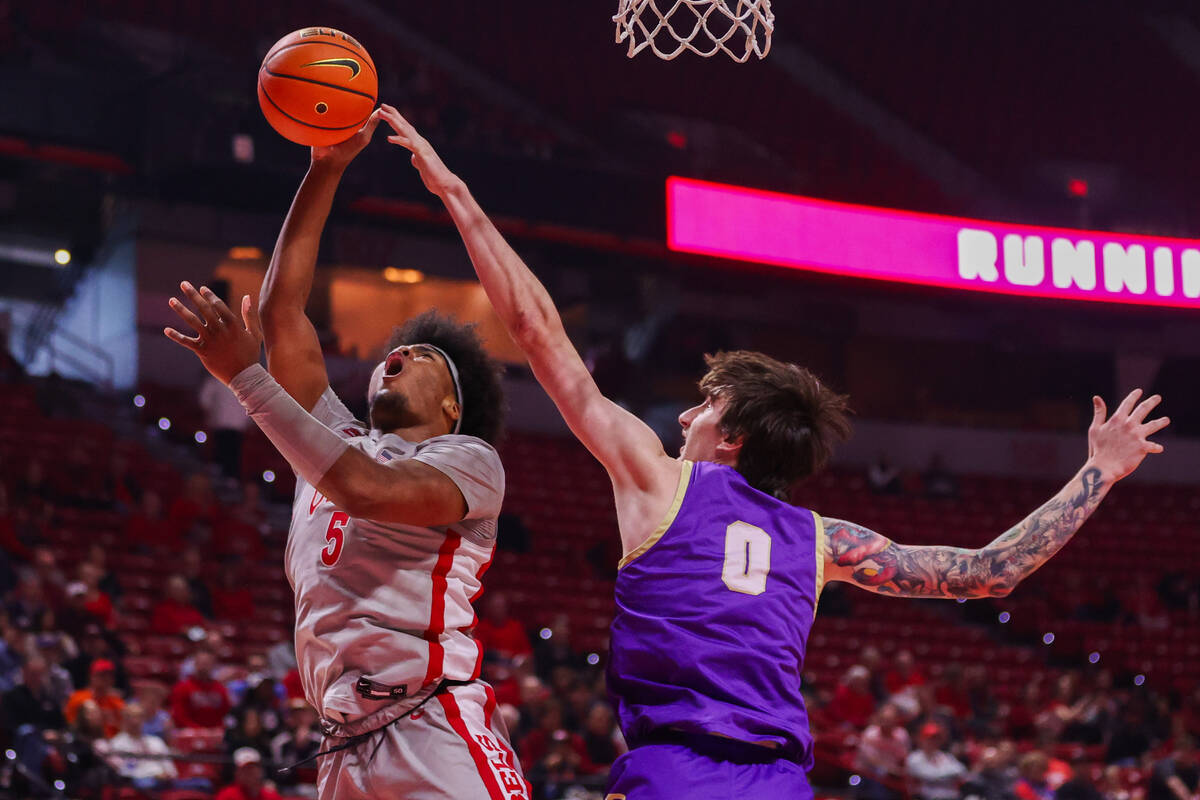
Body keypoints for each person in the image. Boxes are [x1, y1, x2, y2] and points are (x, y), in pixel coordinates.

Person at [378, 104, 1172, 800]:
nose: (685, 412)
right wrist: (1098, 471)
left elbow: (537, 332)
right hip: (781, 786)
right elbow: (988, 571)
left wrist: (458, 196)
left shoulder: (657, 481)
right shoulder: (825, 542)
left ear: (732, 438)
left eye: (706, 404)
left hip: (676, 775)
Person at [162, 111, 527, 800]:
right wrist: (323, 170)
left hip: (432, 727)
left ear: (452, 406)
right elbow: (281, 316)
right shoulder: (338, 435)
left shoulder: (469, 460)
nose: (399, 354)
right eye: (397, 349)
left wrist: (246, 379)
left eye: (423, 358)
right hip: (341, 742)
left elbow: (365, 490)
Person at [98, 701, 178, 790]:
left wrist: (169, 774)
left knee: (193, 784)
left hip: (163, 781)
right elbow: (125, 772)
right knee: (144, 783)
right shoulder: (117, 744)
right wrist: (154, 775)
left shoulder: (155, 741)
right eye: (131, 717)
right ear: (124, 720)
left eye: (139, 717)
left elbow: (169, 767)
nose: (135, 721)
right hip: (140, 782)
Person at [200, 371, 252, 479]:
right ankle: (223, 476)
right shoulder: (216, 380)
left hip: (234, 427)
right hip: (223, 425)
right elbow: (204, 400)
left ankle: (227, 478)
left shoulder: (246, 383)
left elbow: (204, 400)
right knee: (224, 454)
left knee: (231, 455)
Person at [904, 723, 965, 800]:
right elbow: (931, 776)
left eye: (935, 738)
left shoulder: (945, 756)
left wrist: (940, 773)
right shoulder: (914, 757)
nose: (933, 741)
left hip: (952, 797)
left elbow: (962, 771)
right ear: (921, 739)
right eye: (929, 738)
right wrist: (948, 773)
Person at [215, 747, 283, 800]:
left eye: (253, 768)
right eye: (245, 769)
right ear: (237, 772)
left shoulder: (271, 796)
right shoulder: (227, 795)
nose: (250, 773)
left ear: (261, 770)